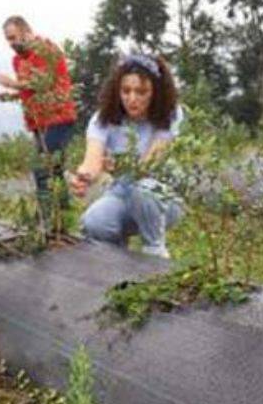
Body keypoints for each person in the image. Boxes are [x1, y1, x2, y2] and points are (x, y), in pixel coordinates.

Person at [70, 54, 183, 259]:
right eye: (126, 91)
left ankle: (155, 253)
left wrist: (119, 166)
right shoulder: (102, 119)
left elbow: (150, 165)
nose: (132, 98)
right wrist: (83, 177)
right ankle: (118, 263)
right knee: (94, 223)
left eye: (141, 92)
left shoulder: (169, 114)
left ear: (155, 92)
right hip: (123, 193)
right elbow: (92, 161)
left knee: (145, 189)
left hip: (162, 197)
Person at [0, 15, 77, 228]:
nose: (11, 43)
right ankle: (62, 217)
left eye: (13, 37)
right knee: (53, 169)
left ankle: (46, 218)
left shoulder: (45, 50)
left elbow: (43, 83)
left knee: (43, 168)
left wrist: (13, 84)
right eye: (8, 39)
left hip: (59, 117)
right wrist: (12, 95)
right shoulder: (18, 60)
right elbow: (30, 90)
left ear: (26, 32)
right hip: (38, 121)